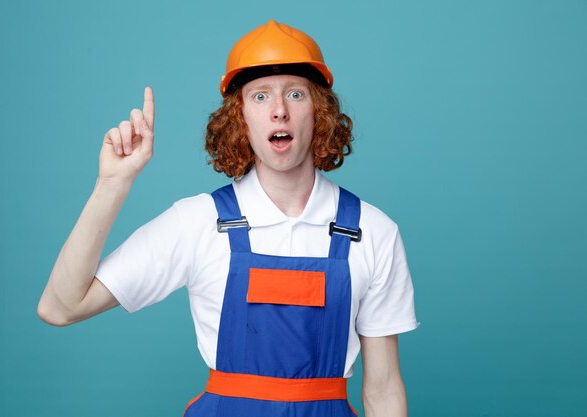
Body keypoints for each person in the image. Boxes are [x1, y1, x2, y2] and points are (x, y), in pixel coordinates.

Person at [38, 20, 419, 417]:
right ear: (240, 118)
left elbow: (384, 388)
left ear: (319, 112)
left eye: (295, 93)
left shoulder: (371, 231)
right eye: (259, 96)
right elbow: (61, 307)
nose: (279, 111)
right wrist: (111, 184)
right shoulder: (196, 223)